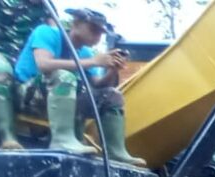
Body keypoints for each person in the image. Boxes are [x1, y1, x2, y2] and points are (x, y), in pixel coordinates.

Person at [12, 8, 145, 166]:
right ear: (76, 23)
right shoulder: (47, 33)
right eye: (93, 29)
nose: (97, 36)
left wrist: (112, 69)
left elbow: (97, 84)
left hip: (62, 100)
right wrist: (94, 62)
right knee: (63, 76)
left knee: (112, 95)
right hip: (27, 97)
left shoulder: (86, 52)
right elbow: (44, 64)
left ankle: (115, 152)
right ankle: (62, 139)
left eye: (100, 33)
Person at [0, 0, 51, 150]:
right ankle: (6, 137)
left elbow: (54, 32)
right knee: (0, 72)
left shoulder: (46, 6)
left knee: (48, 81)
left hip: (22, 56)